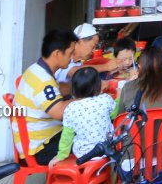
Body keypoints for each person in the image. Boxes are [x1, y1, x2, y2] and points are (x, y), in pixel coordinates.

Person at [13, 29, 77, 164]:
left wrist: (84, 87)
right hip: (40, 148)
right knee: (91, 137)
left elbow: (60, 88)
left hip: (39, 140)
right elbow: (59, 112)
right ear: (57, 53)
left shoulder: (35, 70)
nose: (72, 58)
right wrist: (86, 100)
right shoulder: (43, 80)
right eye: (70, 53)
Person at [50, 67, 115, 168]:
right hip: (107, 150)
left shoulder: (70, 108)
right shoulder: (106, 99)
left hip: (83, 154)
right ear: (98, 86)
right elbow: (114, 114)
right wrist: (120, 96)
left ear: (73, 89)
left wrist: (61, 156)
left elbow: (67, 136)